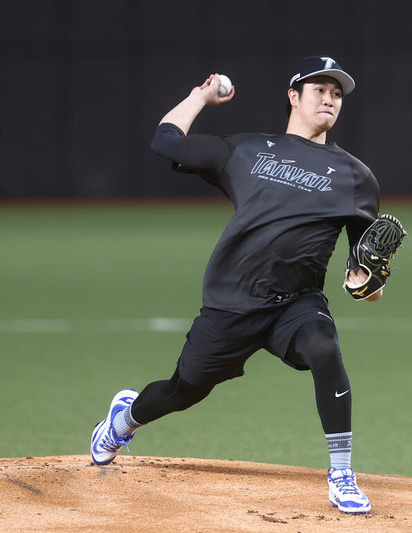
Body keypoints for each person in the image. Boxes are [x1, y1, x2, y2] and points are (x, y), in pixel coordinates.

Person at [90, 56, 382, 514]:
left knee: (324, 347)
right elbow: (167, 141)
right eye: (319, 90)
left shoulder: (356, 177)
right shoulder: (248, 150)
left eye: (336, 93)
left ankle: (342, 473)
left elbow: (365, 269)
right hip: (231, 302)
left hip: (296, 304)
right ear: (293, 96)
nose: (329, 99)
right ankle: (123, 420)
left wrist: (365, 282)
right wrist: (200, 97)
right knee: (182, 391)